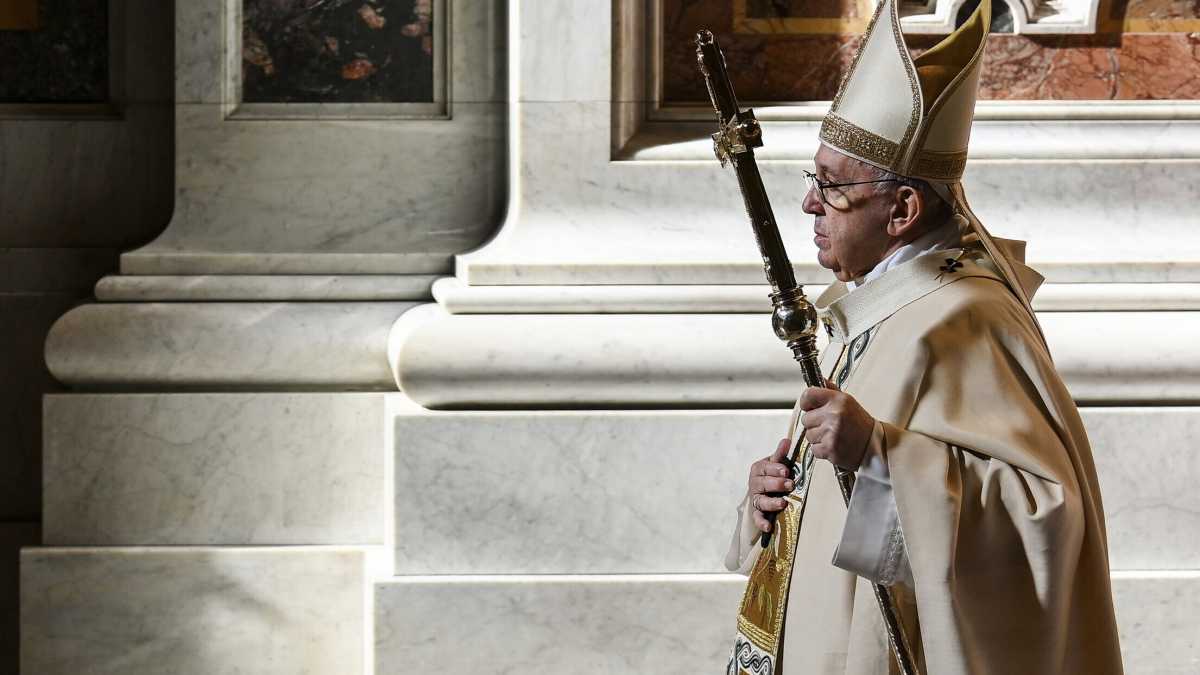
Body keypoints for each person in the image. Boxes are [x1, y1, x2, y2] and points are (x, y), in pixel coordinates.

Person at [724, 0, 1124, 673]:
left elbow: (1044, 518)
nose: (810, 204)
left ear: (903, 208)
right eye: (810, 180)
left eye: (831, 185)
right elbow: (862, 499)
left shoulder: (966, 317)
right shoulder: (877, 304)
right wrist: (784, 491)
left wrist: (881, 454)